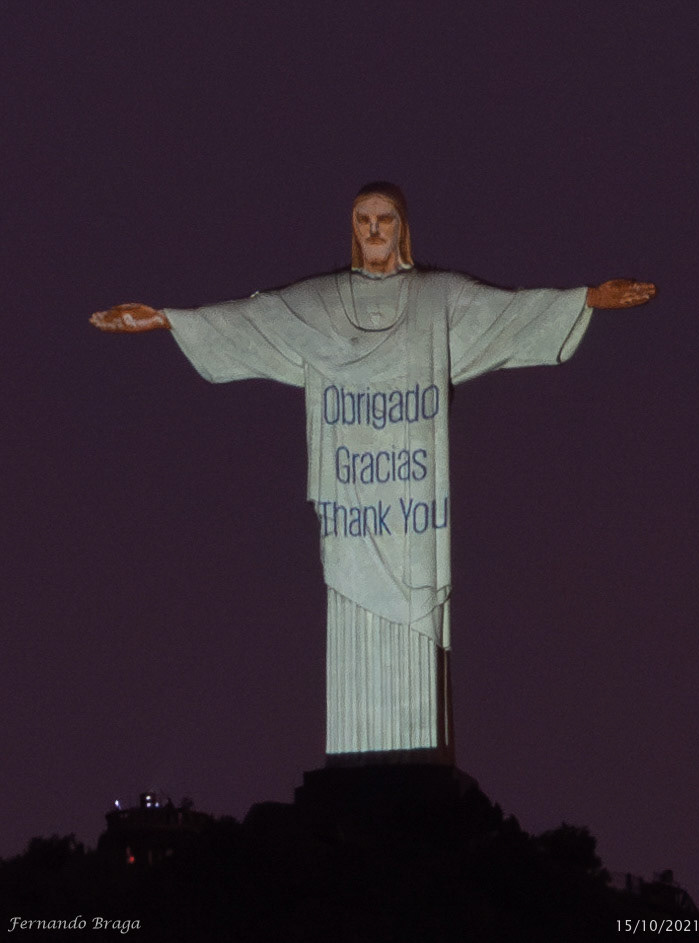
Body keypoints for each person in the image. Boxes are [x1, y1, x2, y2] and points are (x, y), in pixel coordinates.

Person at [91, 182, 656, 765]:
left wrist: (587, 299)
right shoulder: (321, 301)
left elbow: (509, 312)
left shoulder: (437, 297)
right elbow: (254, 319)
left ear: (402, 227)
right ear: (353, 228)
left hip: (413, 505)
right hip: (351, 504)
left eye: (385, 219)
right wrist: (167, 320)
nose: (375, 230)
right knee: (351, 615)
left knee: (417, 651)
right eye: (363, 220)